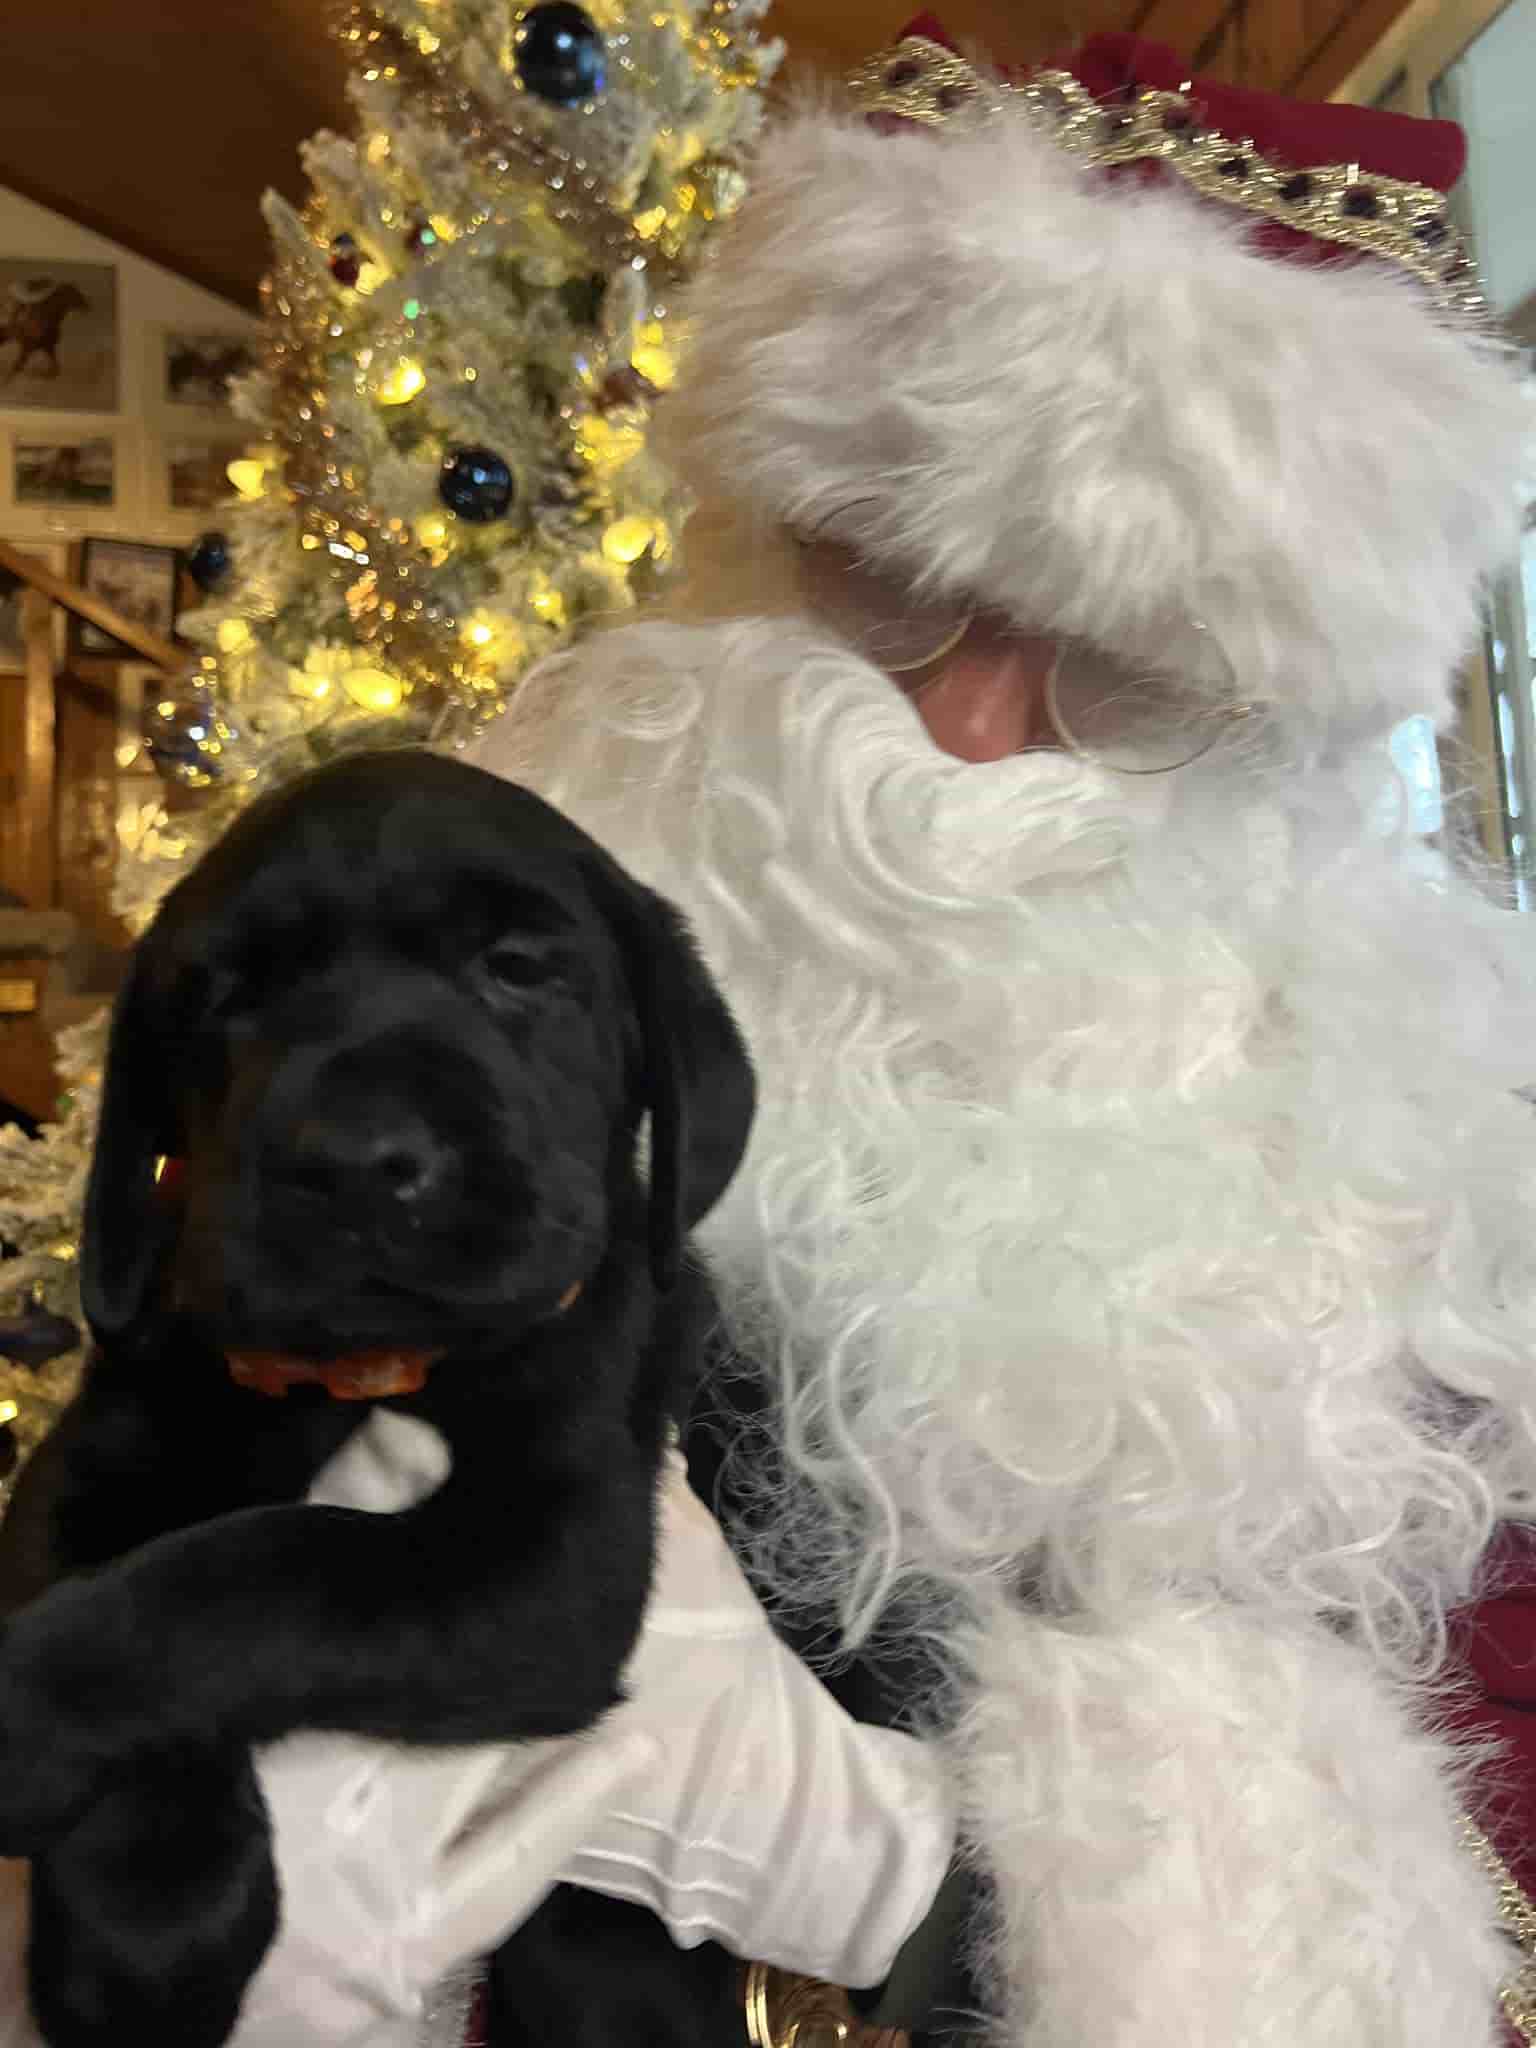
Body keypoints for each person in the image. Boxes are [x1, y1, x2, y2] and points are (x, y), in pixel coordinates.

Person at [473, 17, 1536, 2046]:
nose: (961, 737)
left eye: (1124, 669)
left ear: (1293, 734)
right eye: (885, 581)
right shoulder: (461, 1052)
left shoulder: (1456, 1192)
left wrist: (907, 1879)